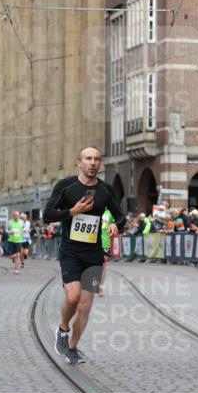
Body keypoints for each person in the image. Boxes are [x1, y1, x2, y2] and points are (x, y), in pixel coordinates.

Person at [42, 146, 124, 364]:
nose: (93, 163)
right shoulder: (66, 186)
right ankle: (63, 328)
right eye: (88, 158)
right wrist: (71, 212)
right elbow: (47, 215)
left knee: (86, 306)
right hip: (70, 251)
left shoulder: (105, 190)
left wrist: (117, 226)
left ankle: (72, 348)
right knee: (73, 296)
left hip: (94, 254)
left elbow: (120, 215)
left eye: (97, 159)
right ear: (79, 162)